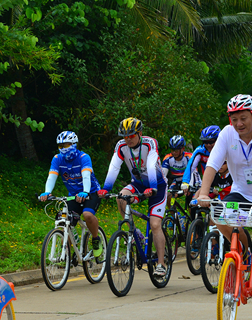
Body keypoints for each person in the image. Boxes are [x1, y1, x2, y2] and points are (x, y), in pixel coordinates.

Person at [195, 94, 252, 320]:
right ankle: (244, 250)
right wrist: (204, 193)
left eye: (244, 118)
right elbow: (213, 164)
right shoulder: (227, 134)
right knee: (217, 215)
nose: (239, 124)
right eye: (234, 119)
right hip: (242, 193)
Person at [99, 117, 170, 276]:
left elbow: (151, 165)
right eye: (125, 136)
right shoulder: (121, 146)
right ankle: (135, 231)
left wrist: (152, 187)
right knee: (120, 197)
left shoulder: (149, 143)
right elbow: (114, 167)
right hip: (138, 184)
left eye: (131, 135)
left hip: (156, 185)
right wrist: (106, 188)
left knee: (155, 224)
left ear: (140, 133)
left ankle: (161, 264)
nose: (128, 139)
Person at [39, 131, 103, 257]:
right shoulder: (57, 159)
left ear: (74, 144)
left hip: (91, 192)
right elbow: (52, 177)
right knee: (64, 220)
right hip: (73, 195)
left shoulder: (84, 157)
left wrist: (85, 191)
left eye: (66, 145)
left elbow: (86, 176)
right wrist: (47, 192)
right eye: (60, 146)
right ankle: (67, 253)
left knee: (87, 215)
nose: (63, 149)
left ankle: (96, 239)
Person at [181, 126, 221, 193]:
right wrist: (185, 181)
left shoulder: (224, 150)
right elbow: (190, 166)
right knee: (197, 200)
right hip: (207, 181)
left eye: (211, 142)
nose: (208, 145)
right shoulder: (200, 150)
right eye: (205, 142)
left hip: (223, 181)